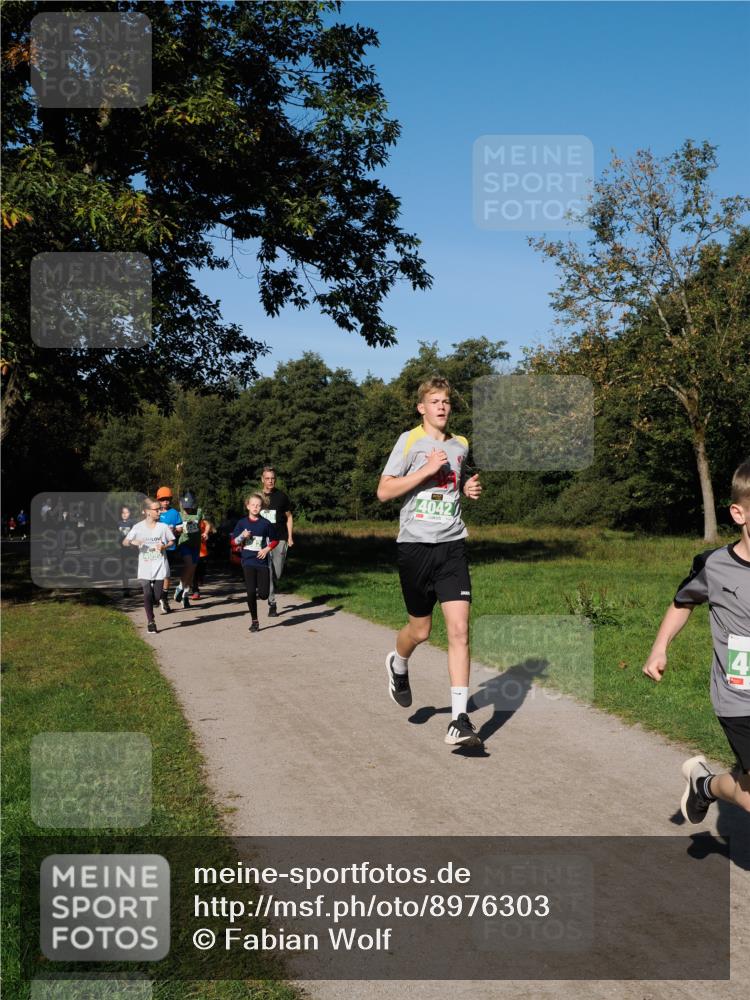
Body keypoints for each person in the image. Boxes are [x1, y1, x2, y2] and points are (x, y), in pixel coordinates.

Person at [376, 376, 483, 748]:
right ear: (421, 407)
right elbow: (383, 491)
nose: (441, 407)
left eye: (446, 402)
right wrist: (423, 470)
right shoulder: (408, 442)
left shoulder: (460, 445)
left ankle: (459, 719)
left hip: (452, 546)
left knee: (458, 629)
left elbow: (455, 482)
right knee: (420, 631)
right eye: (434, 401)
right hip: (415, 547)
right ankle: (399, 663)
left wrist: (466, 488)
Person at [643, 458, 750, 823]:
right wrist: (660, 648)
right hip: (739, 698)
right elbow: (682, 601)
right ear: (739, 514)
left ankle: (704, 784)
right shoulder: (715, 566)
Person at [122, 497, 175, 633]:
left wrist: (164, 546)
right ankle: (151, 622)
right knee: (147, 593)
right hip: (145, 566)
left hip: (159, 566)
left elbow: (172, 541)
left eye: (160, 509)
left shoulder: (162, 527)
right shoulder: (138, 527)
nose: (160, 512)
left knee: (156, 597)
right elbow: (125, 542)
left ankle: (156, 599)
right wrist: (135, 542)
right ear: (147, 511)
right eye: (156, 509)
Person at [232, 492, 278, 633]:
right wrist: (242, 536)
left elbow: (275, 540)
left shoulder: (265, 523)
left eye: (258, 505)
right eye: (253, 505)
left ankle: (262, 592)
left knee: (263, 594)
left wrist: (266, 549)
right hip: (248, 561)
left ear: (261, 507)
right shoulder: (242, 523)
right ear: (247, 506)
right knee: (250, 592)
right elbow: (233, 542)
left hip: (262, 562)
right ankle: (255, 621)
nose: (255, 507)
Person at [259, 466, 294, 617]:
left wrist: (290, 537)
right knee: (269, 570)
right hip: (263, 541)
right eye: (267, 478)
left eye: (272, 478)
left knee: (277, 573)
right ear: (262, 479)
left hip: (279, 539)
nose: (270, 481)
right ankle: (272, 603)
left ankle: (269, 586)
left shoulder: (282, 496)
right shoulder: (258, 498)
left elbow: (289, 517)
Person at [173, 491, 211, 609]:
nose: (187, 510)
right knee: (189, 565)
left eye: (189, 508)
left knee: (192, 571)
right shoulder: (179, 514)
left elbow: (207, 524)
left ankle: (185, 595)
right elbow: (176, 529)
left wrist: (205, 532)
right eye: (185, 508)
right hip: (185, 544)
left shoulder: (199, 512)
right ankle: (179, 588)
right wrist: (177, 530)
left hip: (196, 545)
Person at [156, 486, 182, 613]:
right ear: (158, 500)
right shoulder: (155, 512)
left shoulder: (175, 513)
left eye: (167, 499)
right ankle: (156, 593)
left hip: (170, 548)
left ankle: (164, 598)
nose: (165, 502)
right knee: (156, 574)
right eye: (163, 499)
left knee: (167, 574)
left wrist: (175, 530)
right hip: (156, 549)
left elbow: (180, 528)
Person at [191, 515, 214, 599]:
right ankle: (195, 590)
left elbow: (208, 524)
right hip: (191, 549)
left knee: (202, 569)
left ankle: (201, 577)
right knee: (194, 571)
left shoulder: (200, 519)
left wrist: (205, 533)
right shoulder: (186, 519)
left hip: (202, 550)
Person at [116, 504, 136, 595]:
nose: (124, 514)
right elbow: (117, 536)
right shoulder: (118, 523)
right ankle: (126, 589)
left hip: (131, 549)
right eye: (122, 512)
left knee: (132, 568)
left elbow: (135, 535)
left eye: (126, 512)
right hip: (122, 550)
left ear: (130, 513)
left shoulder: (132, 523)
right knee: (124, 569)